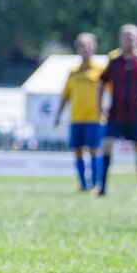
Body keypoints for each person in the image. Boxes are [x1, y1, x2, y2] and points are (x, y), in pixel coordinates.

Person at [95, 25, 137, 197]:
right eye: (125, 36)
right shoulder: (113, 59)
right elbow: (101, 82)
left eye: (132, 36)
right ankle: (102, 187)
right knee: (107, 146)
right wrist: (99, 105)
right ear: (120, 39)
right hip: (116, 113)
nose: (128, 39)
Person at [53, 33, 104, 192]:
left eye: (88, 46)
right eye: (82, 47)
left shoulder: (100, 70)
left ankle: (96, 184)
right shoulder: (73, 72)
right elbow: (65, 95)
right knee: (78, 151)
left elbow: (111, 91)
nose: (85, 50)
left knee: (94, 149)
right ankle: (83, 184)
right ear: (78, 50)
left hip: (95, 118)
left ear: (94, 48)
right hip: (76, 118)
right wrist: (58, 115)